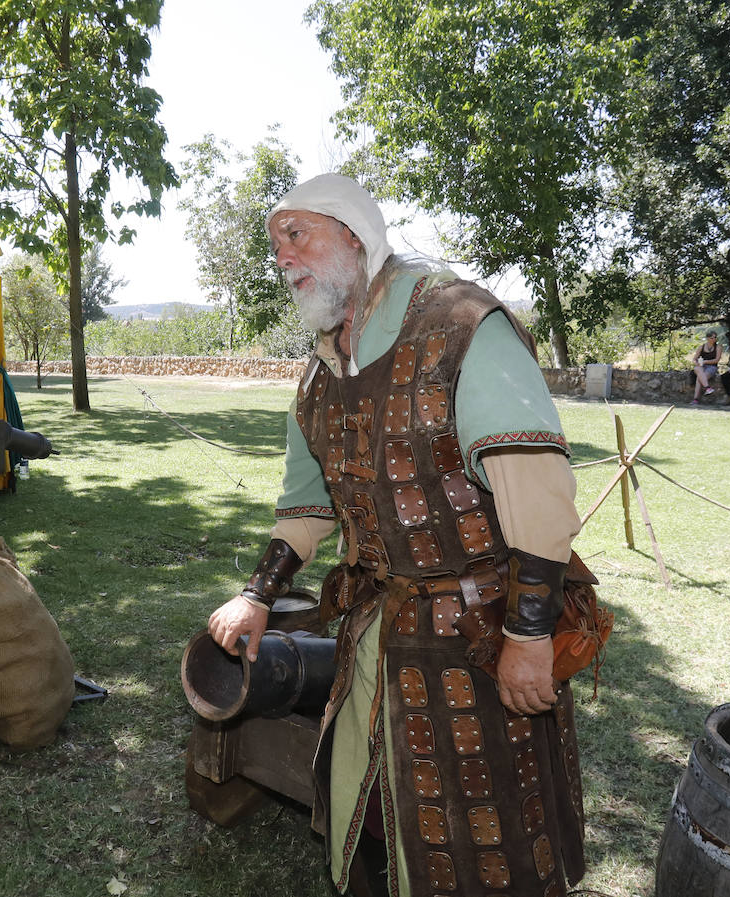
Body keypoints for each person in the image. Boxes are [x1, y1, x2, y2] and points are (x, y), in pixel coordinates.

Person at [207, 174, 587, 897]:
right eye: (274, 243)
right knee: (373, 809)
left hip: (483, 635)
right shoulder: (320, 376)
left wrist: (531, 634)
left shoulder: (461, 323)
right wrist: (259, 595)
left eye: (297, 233)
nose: (282, 256)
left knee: (493, 846)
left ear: (354, 234)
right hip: (378, 632)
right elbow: (306, 508)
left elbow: (534, 481)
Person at [689, 331, 721, 404]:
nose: (714, 339)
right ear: (707, 338)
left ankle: (696, 399)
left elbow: (716, 360)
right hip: (702, 366)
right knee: (696, 369)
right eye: (712, 338)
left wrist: (705, 362)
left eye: (715, 337)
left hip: (712, 367)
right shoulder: (701, 347)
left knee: (699, 378)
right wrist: (696, 363)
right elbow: (694, 359)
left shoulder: (718, 347)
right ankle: (707, 388)